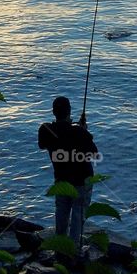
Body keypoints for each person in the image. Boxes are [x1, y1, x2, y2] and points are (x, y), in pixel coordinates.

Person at [38, 96, 100, 249]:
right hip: (81, 180)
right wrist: (82, 130)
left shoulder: (45, 130)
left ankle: (60, 248)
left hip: (61, 180)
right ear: (70, 111)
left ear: (53, 112)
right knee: (78, 215)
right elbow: (94, 154)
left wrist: (76, 129)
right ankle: (74, 250)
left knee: (62, 212)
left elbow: (45, 143)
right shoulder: (79, 132)